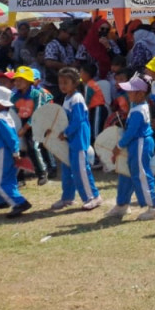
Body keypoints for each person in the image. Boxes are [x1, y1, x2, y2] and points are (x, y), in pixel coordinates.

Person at [106, 76, 155, 221]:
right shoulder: (137, 107)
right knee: (127, 173)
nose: (128, 93)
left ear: (141, 93)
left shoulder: (138, 110)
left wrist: (118, 146)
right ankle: (122, 204)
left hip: (139, 143)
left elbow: (131, 132)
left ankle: (154, 208)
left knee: (142, 174)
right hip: (136, 144)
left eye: (131, 91)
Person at [0, 86, 32, 217]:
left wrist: (15, 153)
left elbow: (11, 137)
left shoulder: (0, 118)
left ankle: (20, 203)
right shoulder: (1, 116)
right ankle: (0, 200)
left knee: (3, 182)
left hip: (3, 152)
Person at [53, 67, 101, 211]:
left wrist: (66, 133)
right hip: (70, 139)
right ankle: (67, 197)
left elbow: (78, 120)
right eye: (60, 82)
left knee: (81, 169)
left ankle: (93, 197)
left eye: (65, 82)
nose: (62, 85)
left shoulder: (77, 98)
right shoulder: (67, 98)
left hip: (78, 139)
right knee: (67, 169)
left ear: (75, 83)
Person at [10, 67, 50, 185]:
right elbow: (12, 112)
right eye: (16, 80)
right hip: (19, 123)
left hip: (33, 124)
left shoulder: (37, 94)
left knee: (33, 148)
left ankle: (42, 173)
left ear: (28, 81)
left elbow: (37, 113)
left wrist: (25, 127)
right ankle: (19, 177)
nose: (17, 83)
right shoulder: (14, 97)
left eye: (20, 80)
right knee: (18, 150)